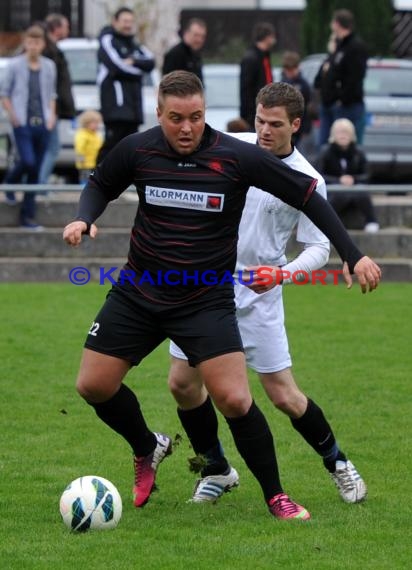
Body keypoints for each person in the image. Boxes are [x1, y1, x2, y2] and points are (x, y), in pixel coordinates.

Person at [62, 70, 380, 522]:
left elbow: (308, 196)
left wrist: (352, 253)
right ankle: (152, 447)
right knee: (94, 385)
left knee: (239, 398)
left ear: (206, 113)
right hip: (139, 291)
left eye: (196, 117)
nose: (187, 127)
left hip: (207, 300)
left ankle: (277, 494)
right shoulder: (138, 147)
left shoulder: (237, 155)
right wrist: (83, 217)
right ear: (159, 114)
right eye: (176, 118)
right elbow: (100, 184)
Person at [168, 82, 368, 507]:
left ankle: (338, 464)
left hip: (259, 293)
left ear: (296, 125)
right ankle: (218, 469)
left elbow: (318, 247)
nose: (263, 131)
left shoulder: (308, 179)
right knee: (183, 384)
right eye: (259, 120)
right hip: (202, 287)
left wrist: (280, 274)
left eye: (275, 125)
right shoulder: (232, 148)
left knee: (283, 395)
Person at [0, 24, 56, 229]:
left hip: (43, 122)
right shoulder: (14, 65)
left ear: (42, 44)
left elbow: (51, 94)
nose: (33, 46)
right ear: (25, 43)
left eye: (37, 42)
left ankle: (28, 216)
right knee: (28, 161)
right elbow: (4, 93)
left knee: (35, 171)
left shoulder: (49, 66)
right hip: (21, 122)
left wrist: (51, 118)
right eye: (30, 42)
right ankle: (10, 182)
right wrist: (13, 116)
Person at [96, 6, 155, 163]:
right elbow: (117, 66)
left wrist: (134, 61)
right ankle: (95, 182)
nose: (128, 25)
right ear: (115, 22)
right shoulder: (108, 40)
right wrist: (138, 72)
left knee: (131, 148)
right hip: (115, 107)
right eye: (124, 21)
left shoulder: (134, 44)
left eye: (130, 21)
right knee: (111, 147)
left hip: (133, 108)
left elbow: (150, 61)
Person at [315, 9, 368, 145]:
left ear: (337, 24)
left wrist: (341, 99)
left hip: (346, 106)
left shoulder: (355, 47)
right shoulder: (338, 46)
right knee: (325, 148)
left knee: (345, 145)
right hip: (329, 104)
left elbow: (355, 77)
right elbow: (325, 74)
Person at [317, 118, 379, 233]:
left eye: (346, 132)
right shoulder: (325, 152)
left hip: (354, 190)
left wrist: (353, 179)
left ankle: (372, 221)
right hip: (333, 191)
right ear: (333, 134)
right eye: (340, 132)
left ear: (352, 135)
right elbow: (318, 175)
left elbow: (367, 175)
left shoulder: (359, 153)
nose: (343, 135)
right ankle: (326, 224)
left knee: (362, 192)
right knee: (340, 195)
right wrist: (338, 181)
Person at [38, 13, 75, 186]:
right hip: (47, 109)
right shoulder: (49, 51)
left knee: (45, 148)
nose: (68, 29)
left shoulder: (51, 49)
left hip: (49, 109)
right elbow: (50, 86)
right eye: (66, 26)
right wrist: (52, 111)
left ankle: (36, 185)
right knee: (51, 148)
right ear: (57, 28)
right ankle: (40, 186)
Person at [240, 22, 276, 129]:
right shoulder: (251, 58)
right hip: (254, 115)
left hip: (266, 111)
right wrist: (250, 116)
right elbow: (246, 89)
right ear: (267, 37)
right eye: (273, 36)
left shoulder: (265, 56)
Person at [280, 51, 312, 148]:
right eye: (287, 70)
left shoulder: (303, 85)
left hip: (300, 126)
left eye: (292, 69)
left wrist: (306, 127)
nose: (290, 73)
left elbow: (307, 107)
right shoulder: (281, 83)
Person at [162, 18, 207, 83]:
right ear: (186, 33)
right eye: (196, 35)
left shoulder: (196, 55)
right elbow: (168, 85)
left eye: (202, 36)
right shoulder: (174, 54)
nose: (199, 40)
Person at [74, 110, 103, 184]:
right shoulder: (82, 134)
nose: (97, 125)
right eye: (94, 123)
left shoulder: (95, 134)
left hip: (94, 163)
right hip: (85, 164)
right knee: (85, 180)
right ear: (86, 123)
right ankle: (84, 192)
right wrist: (81, 161)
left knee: (93, 180)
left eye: (98, 123)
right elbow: (79, 148)